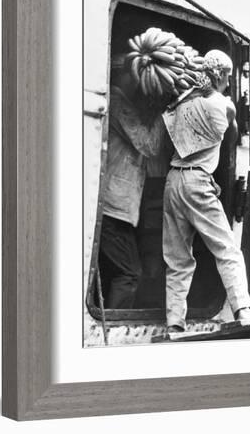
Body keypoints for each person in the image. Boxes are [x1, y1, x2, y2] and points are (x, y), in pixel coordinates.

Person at [161, 49, 250, 332]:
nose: (229, 82)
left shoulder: (181, 103)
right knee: (227, 248)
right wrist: (212, 94)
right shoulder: (221, 104)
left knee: (178, 259)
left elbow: (187, 141)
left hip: (173, 180)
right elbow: (232, 123)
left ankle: (174, 324)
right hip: (196, 184)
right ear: (218, 74)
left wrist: (196, 91)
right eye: (228, 76)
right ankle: (243, 311)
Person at [98, 53, 167, 309]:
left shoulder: (121, 104)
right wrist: (164, 109)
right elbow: (149, 145)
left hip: (120, 209)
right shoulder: (118, 103)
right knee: (129, 274)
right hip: (113, 209)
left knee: (121, 272)